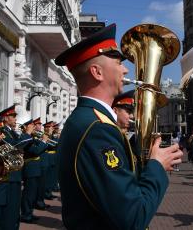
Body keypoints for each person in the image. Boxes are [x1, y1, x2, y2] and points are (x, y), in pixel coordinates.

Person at [55, 23, 183, 229]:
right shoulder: (97, 129)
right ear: (97, 72)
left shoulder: (90, 120)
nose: (125, 69)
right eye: (117, 62)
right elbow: (132, 217)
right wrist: (157, 167)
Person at [0, 104, 23, 229]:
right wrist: (27, 134)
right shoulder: (3, 131)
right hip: (9, 174)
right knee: (10, 207)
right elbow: (14, 146)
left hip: (16, 173)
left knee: (14, 206)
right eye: (13, 116)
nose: (15, 118)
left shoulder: (11, 131)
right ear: (6, 118)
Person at [20, 119, 49, 223]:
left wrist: (42, 141)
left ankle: (29, 213)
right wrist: (44, 141)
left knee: (33, 193)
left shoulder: (32, 138)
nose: (33, 127)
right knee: (28, 193)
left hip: (35, 167)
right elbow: (36, 151)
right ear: (25, 127)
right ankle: (26, 214)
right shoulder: (25, 138)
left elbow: (41, 147)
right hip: (30, 168)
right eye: (31, 125)